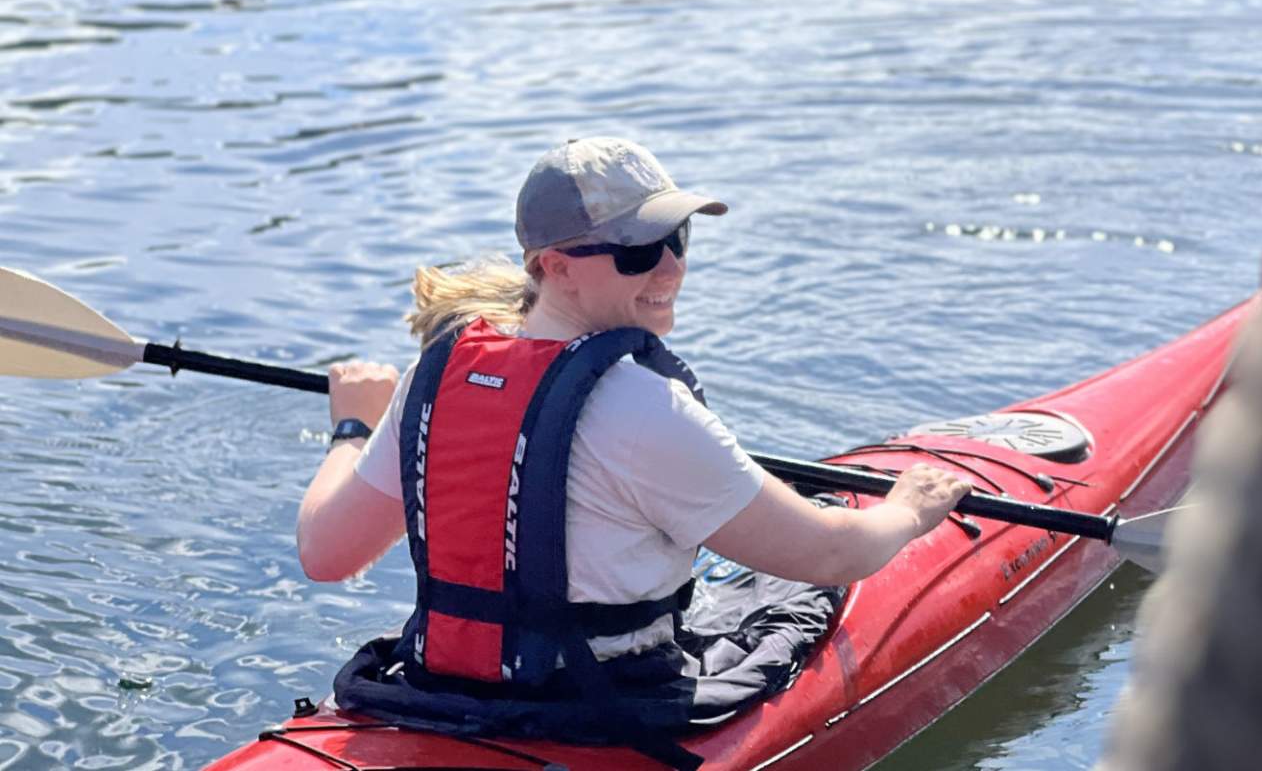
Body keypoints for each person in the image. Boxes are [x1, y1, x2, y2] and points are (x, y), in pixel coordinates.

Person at [295, 137, 971, 757]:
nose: (671, 268)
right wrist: (910, 510)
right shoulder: (642, 407)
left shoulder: (433, 376)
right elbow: (832, 552)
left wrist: (353, 429)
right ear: (553, 267)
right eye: (639, 252)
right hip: (602, 707)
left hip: (441, 694)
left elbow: (326, 553)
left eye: (677, 237)